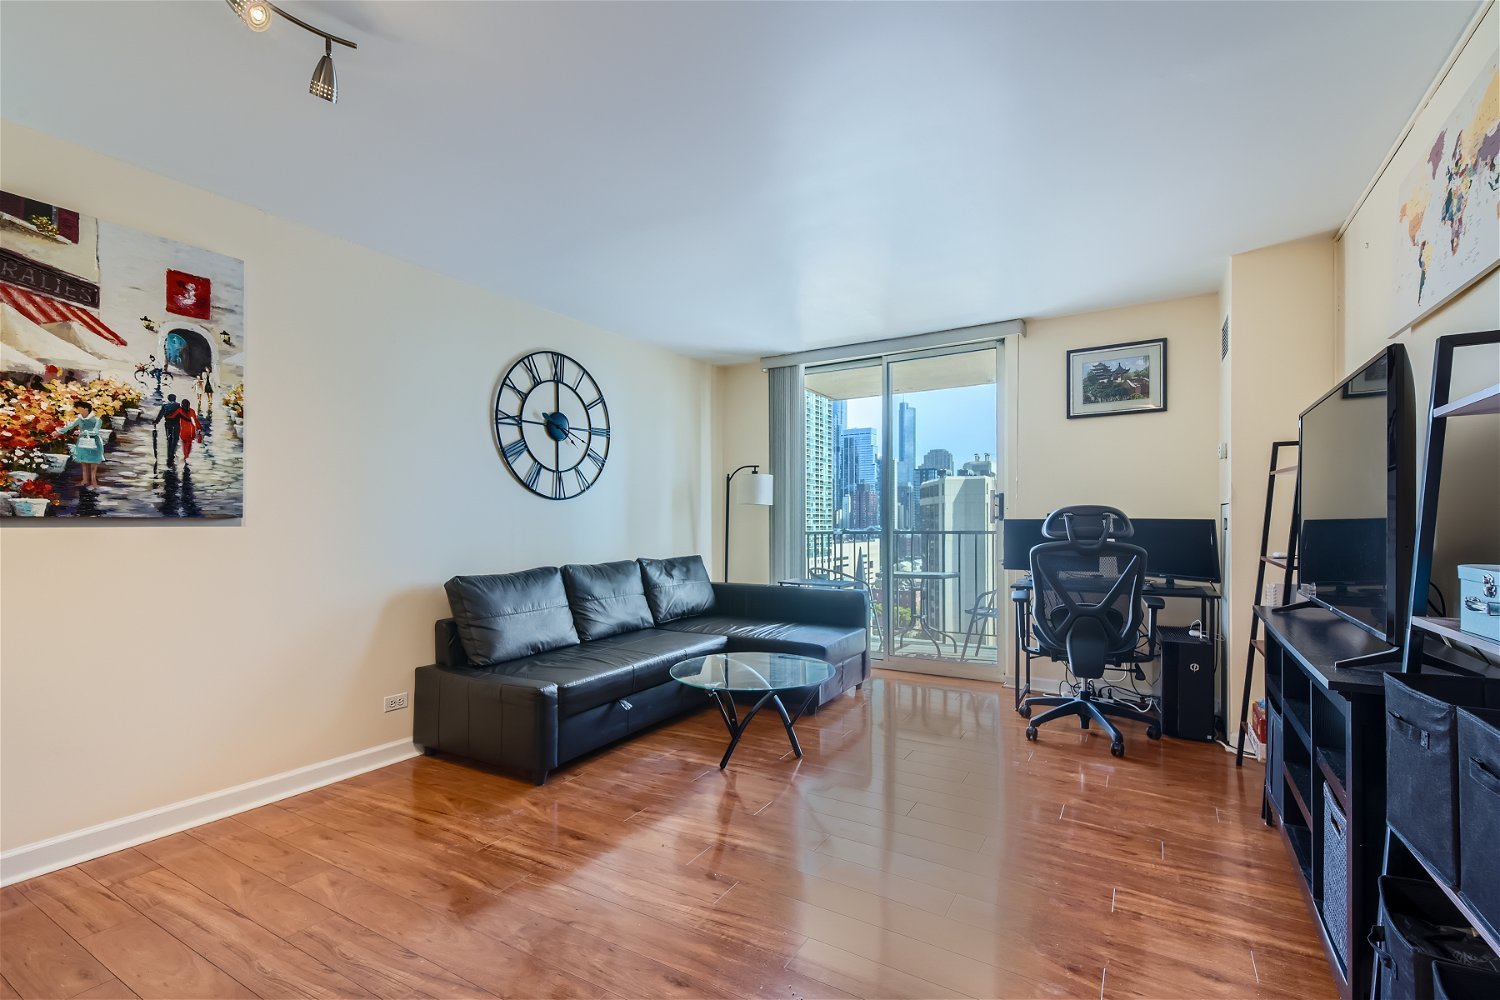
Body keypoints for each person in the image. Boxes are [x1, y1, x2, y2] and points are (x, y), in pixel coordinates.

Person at [51, 400, 104, 488]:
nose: (79, 411)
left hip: (94, 443)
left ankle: (94, 481)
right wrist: (58, 432)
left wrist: (82, 432)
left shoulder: (97, 420)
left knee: (93, 462)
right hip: (82, 442)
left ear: (86, 409)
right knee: (83, 461)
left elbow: (95, 432)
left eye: (80, 409)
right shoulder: (79, 419)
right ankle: (85, 480)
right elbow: (69, 427)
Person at [153, 394, 183, 466]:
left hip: (168, 423)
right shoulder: (178, 405)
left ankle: (169, 452)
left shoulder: (165, 405)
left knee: (169, 438)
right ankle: (173, 452)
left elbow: (161, 414)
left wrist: (156, 421)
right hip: (176, 423)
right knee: (175, 438)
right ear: (175, 398)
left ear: (168, 399)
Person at [179, 400, 204, 464]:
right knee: (189, 444)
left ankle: (185, 455)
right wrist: (199, 428)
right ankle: (187, 456)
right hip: (191, 430)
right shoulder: (191, 411)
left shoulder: (179, 410)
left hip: (183, 430)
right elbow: (195, 420)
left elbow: (173, 416)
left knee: (184, 443)